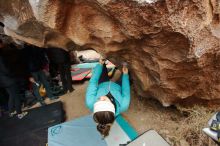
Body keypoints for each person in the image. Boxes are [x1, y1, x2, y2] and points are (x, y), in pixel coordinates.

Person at [86, 58, 130, 137]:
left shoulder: (90, 102)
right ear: (112, 106)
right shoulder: (123, 105)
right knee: (126, 73)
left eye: (98, 101)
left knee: (102, 66)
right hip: (117, 87)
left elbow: (93, 82)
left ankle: (103, 63)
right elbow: (125, 91)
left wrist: (99, 65)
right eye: (104, 101)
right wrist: (125, 75)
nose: (101, 98)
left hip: (102, 84)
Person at [0, 40, 28, 119]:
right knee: (16, 96)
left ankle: (11, 112)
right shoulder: (1, 57)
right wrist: (13, 74)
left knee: (11, 96)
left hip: (3, 82)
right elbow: (6, 70)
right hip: (9, 80)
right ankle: (19, 113)